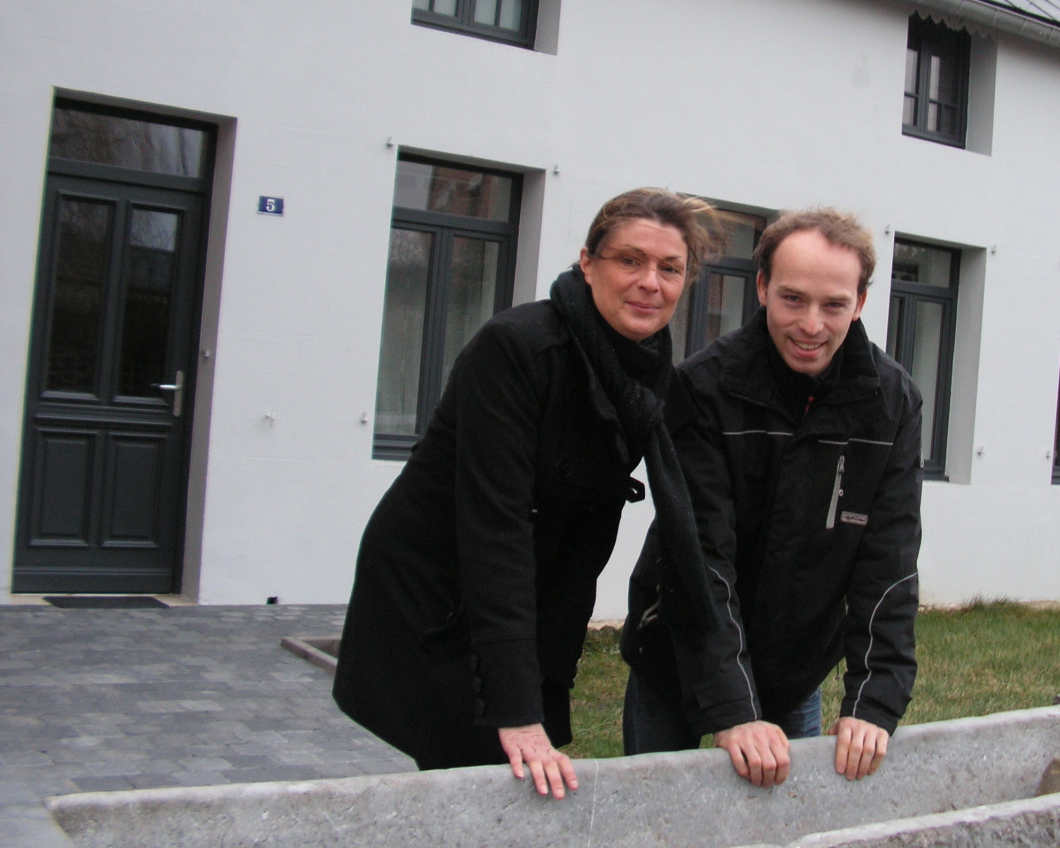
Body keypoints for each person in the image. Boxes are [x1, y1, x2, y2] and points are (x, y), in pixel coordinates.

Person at [333, 188, 720, 799]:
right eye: (630, 260)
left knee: (506, 780)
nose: (651, 282)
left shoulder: (648, 374)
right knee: (481, 774)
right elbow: (496, 527)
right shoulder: (518, 347)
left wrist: (541, 683)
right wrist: (516, 706)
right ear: (587, 263)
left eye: (670, 268)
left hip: (529, 592)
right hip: (435, 587)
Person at [621, 208, 923, 789]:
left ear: (859, 302)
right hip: (676, 655)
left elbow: (888, 561)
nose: (811, 324)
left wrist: (872, 701)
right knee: (657, 817)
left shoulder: (893, 404)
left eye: (833, 305)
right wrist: (735, 710)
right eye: (792, 299)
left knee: (780, 822)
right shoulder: (700, 388)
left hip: (793, 667)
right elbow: (702, 558)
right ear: (761, 288)